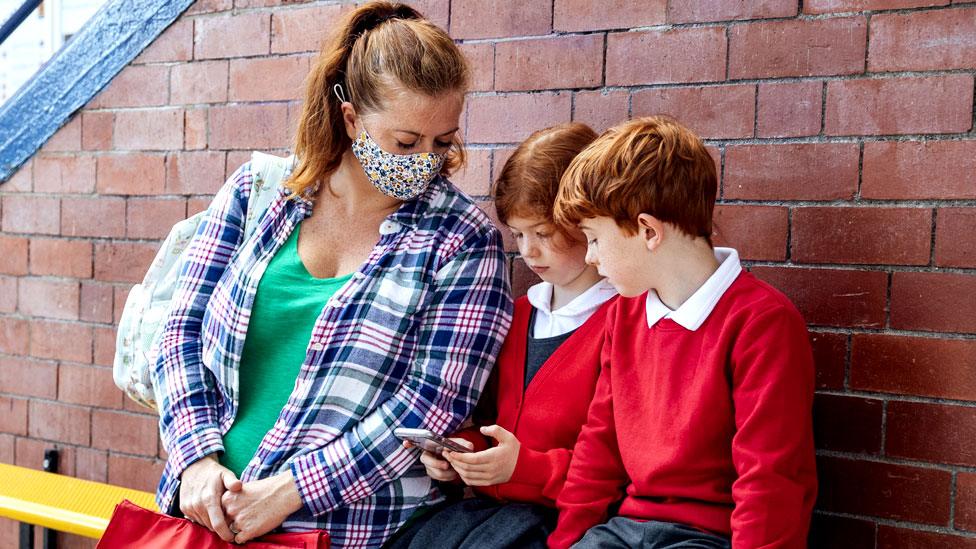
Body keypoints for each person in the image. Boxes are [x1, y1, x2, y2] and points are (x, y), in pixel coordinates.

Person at [151, 3, 512, 548]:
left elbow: (430, 406)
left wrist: (291, 491)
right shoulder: (258, 193)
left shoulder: (463, 239)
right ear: (351, 119)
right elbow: (180, 331)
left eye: (443, 141)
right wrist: (196, 460)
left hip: (355, 531)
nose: (428, 161)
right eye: (406, 142)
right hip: (205, 516)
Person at [546, 116, 818, 549]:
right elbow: (599, 447)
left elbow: (770, 478)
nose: (592, 258)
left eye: (594, 239)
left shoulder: (762, 323)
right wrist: (566, 543)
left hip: (709, 538)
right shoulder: (624, 315)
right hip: (624, 531)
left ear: (648, 231)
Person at [387, 123, 618, 549]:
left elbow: (615, 465)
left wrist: (524, 467)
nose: (528, 252)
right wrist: (464, 452)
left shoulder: (621, 323)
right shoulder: (518, 315)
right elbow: (495, 422)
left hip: (565, 521)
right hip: (489, 514)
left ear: (585, 221)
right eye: (518, 234)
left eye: (543, 234)